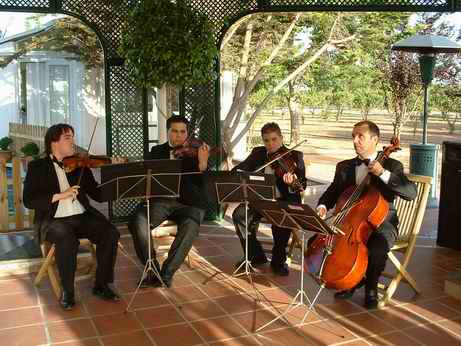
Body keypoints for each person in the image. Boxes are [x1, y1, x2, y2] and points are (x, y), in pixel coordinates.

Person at [316, 120, 417, 309]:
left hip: (382, 223)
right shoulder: (344, 166)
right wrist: (322, 205)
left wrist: (383, 173)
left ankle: (370, 288)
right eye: (353, 136)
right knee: (319, 239)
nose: (355, 140)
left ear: (375, 140)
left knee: (376, 248)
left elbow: (410, 193)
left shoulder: (392, 165)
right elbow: (332, 191)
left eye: (360, 136)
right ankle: (350, 280)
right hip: (350, 221)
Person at [23, 124, 120, 310]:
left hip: (81, 216)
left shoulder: (79, 166)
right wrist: (61, 195)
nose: (73, 141)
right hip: (54, 220)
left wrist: (114, 174)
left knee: (110, 232)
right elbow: (29, 200)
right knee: (67, 239)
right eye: (67, 137)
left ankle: (101, 284)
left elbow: (98, 194)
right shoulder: (38, 167)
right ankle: (68, 290)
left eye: (73, 137)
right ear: (53, 142)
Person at [128, 115, 210, 288]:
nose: (179, 136)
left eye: (182, 132)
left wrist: (202, 164)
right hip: (162, 202)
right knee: (137, 220)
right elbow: (145, 176)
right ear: (167, 132)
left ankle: (166, 274)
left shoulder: (196, 153)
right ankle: (152, 269)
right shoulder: (156, 151)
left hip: (189, 203)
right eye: (174, 131)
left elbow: (206, 185)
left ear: (187, 133)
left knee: (191, 225)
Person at [231, 122, 307, 276]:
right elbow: (242, 168)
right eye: (266, 140)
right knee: (239, 215)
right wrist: (236, 173)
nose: (270, 144)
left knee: (281, 221)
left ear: (281, 138)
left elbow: (302, 184)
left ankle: (278, 261)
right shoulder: (258, 153)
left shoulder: (295, 156)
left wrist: (292, 183)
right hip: (260, 200)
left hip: (283, 201)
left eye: (274, 139)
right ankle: (255, 255)